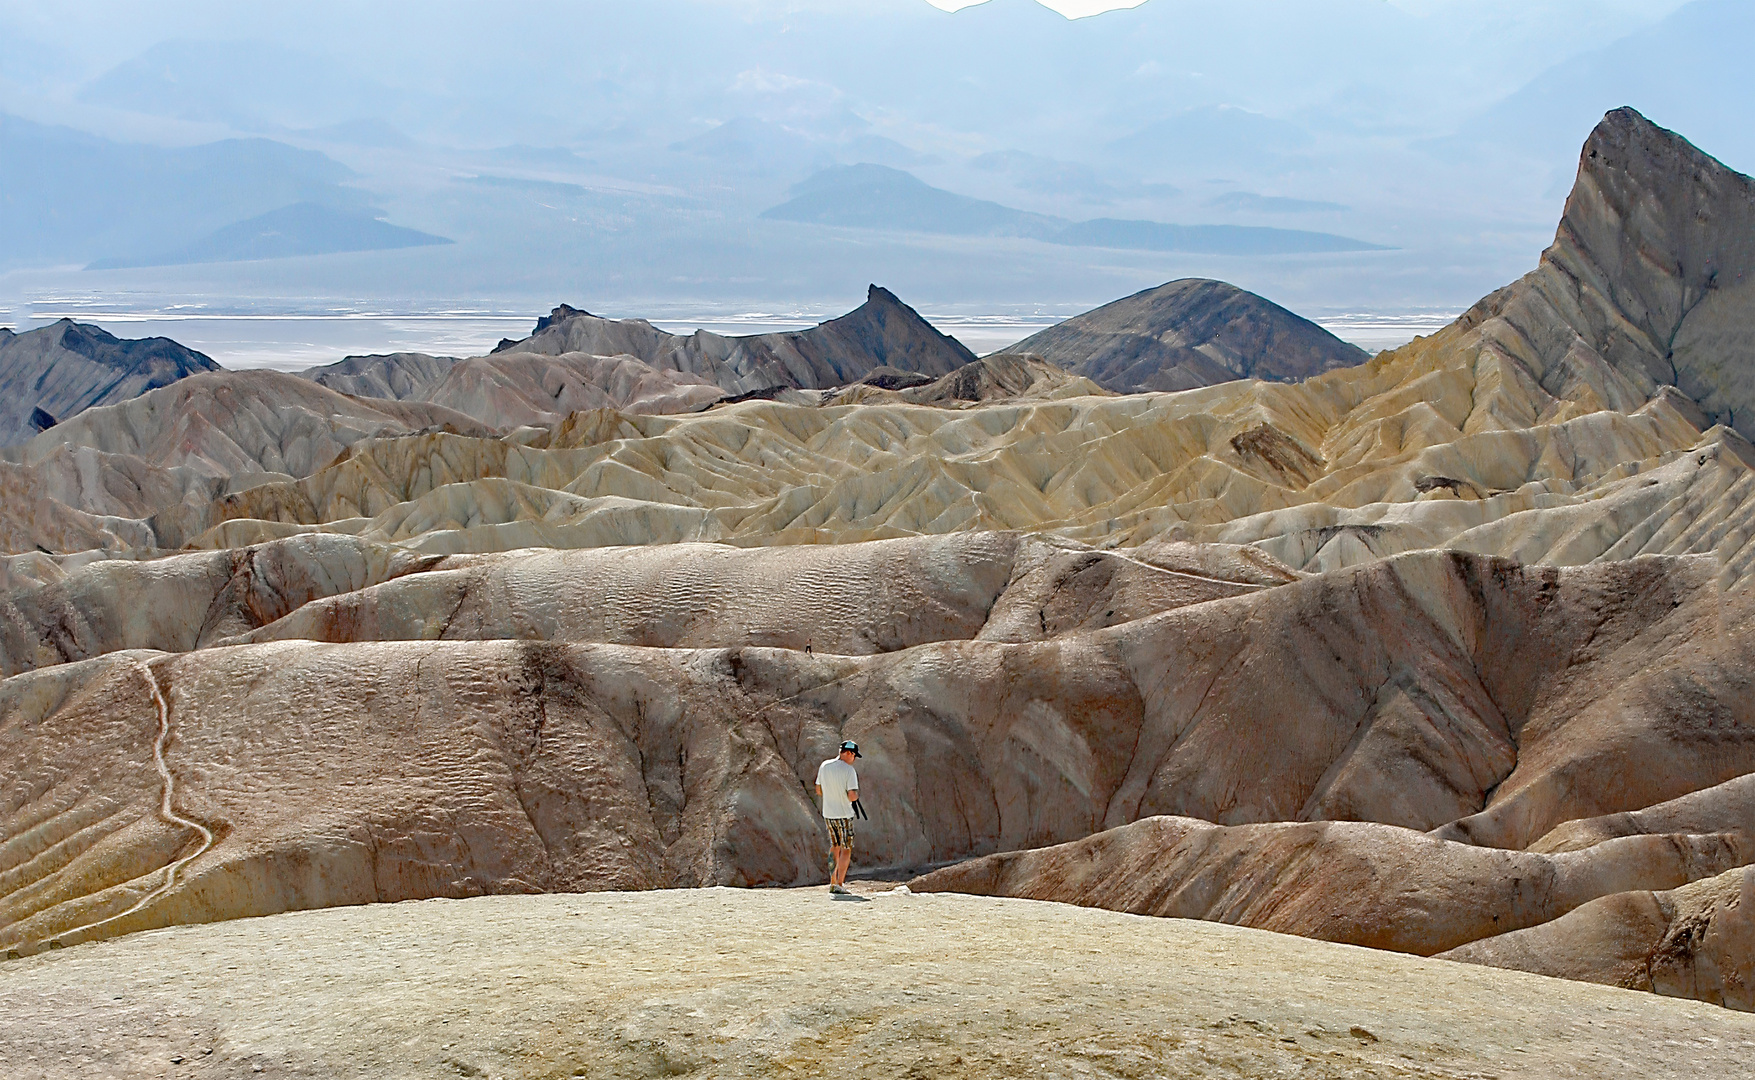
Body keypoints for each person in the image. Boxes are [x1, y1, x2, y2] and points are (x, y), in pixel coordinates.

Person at [815, 740, 861, 894]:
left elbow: (819, 790)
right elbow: (852, 795)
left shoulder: (824, 766)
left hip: (829, 813)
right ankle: (840, 883)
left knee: (834, 846)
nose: (854, 759)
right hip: (844, 815)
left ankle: (832, 881)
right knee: (846, 849)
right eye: (854, 756)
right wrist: (854, 797)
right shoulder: (849, 771)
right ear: (849, 753)